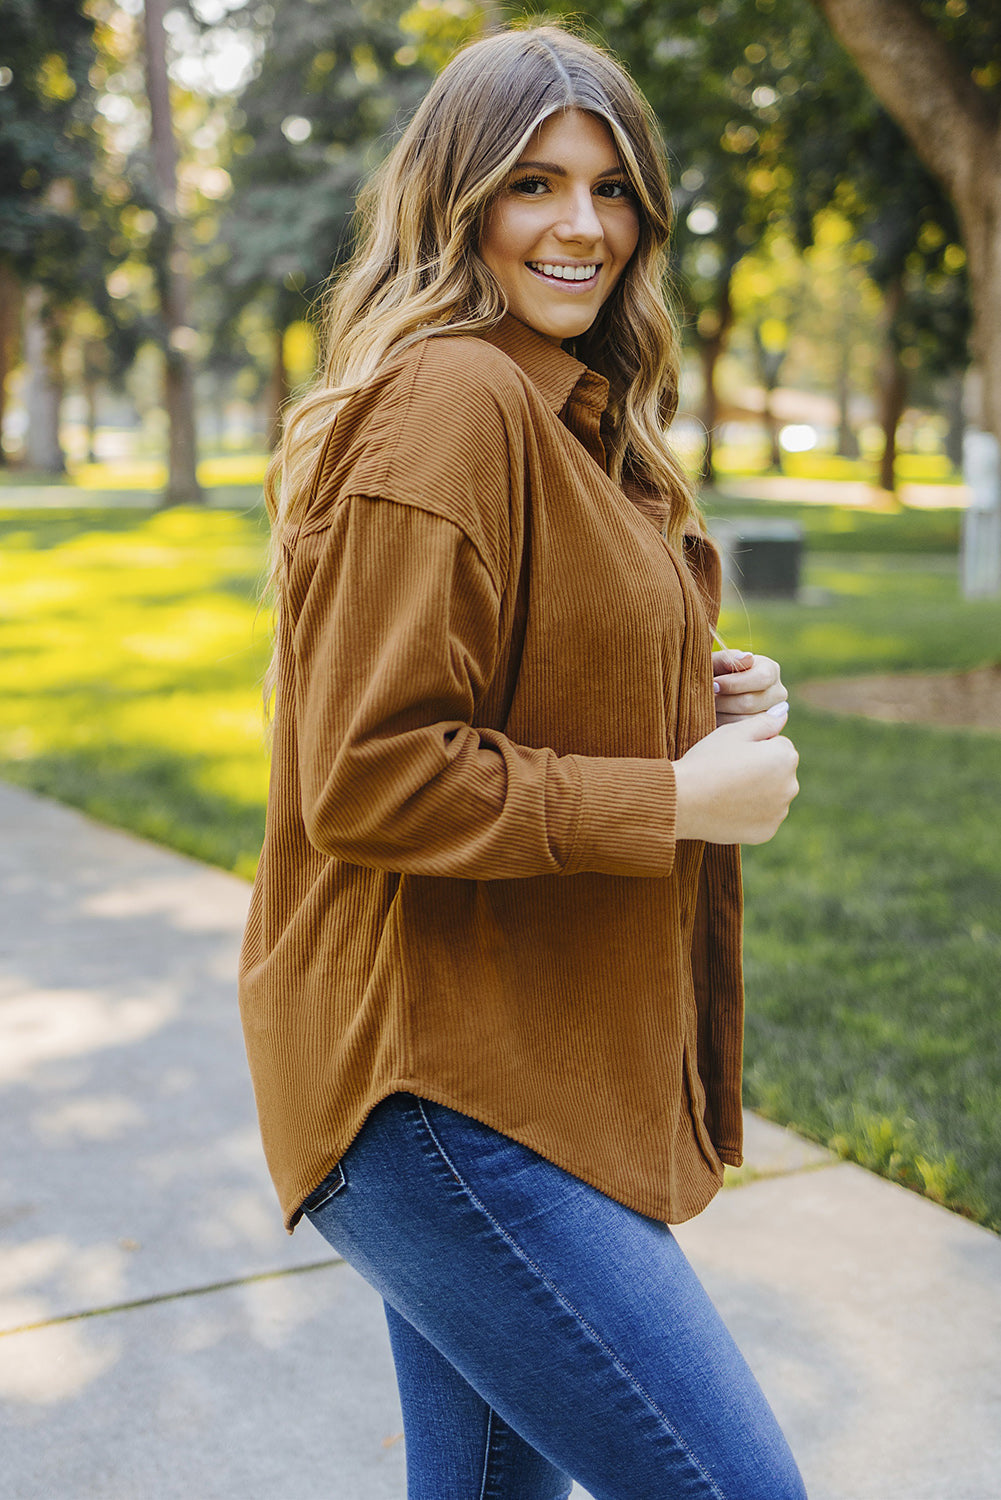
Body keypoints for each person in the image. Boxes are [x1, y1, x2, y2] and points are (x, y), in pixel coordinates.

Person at [238, 23, 805, 1500]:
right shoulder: (454, 398)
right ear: (456, 200)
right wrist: (682, 798)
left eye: (611, 190)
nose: (580, 226)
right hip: (439, 1090)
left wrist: (698, 690)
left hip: (511, 1068)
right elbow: (367, 769)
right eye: (532, 184)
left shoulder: (567, 412)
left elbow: (513, 670)